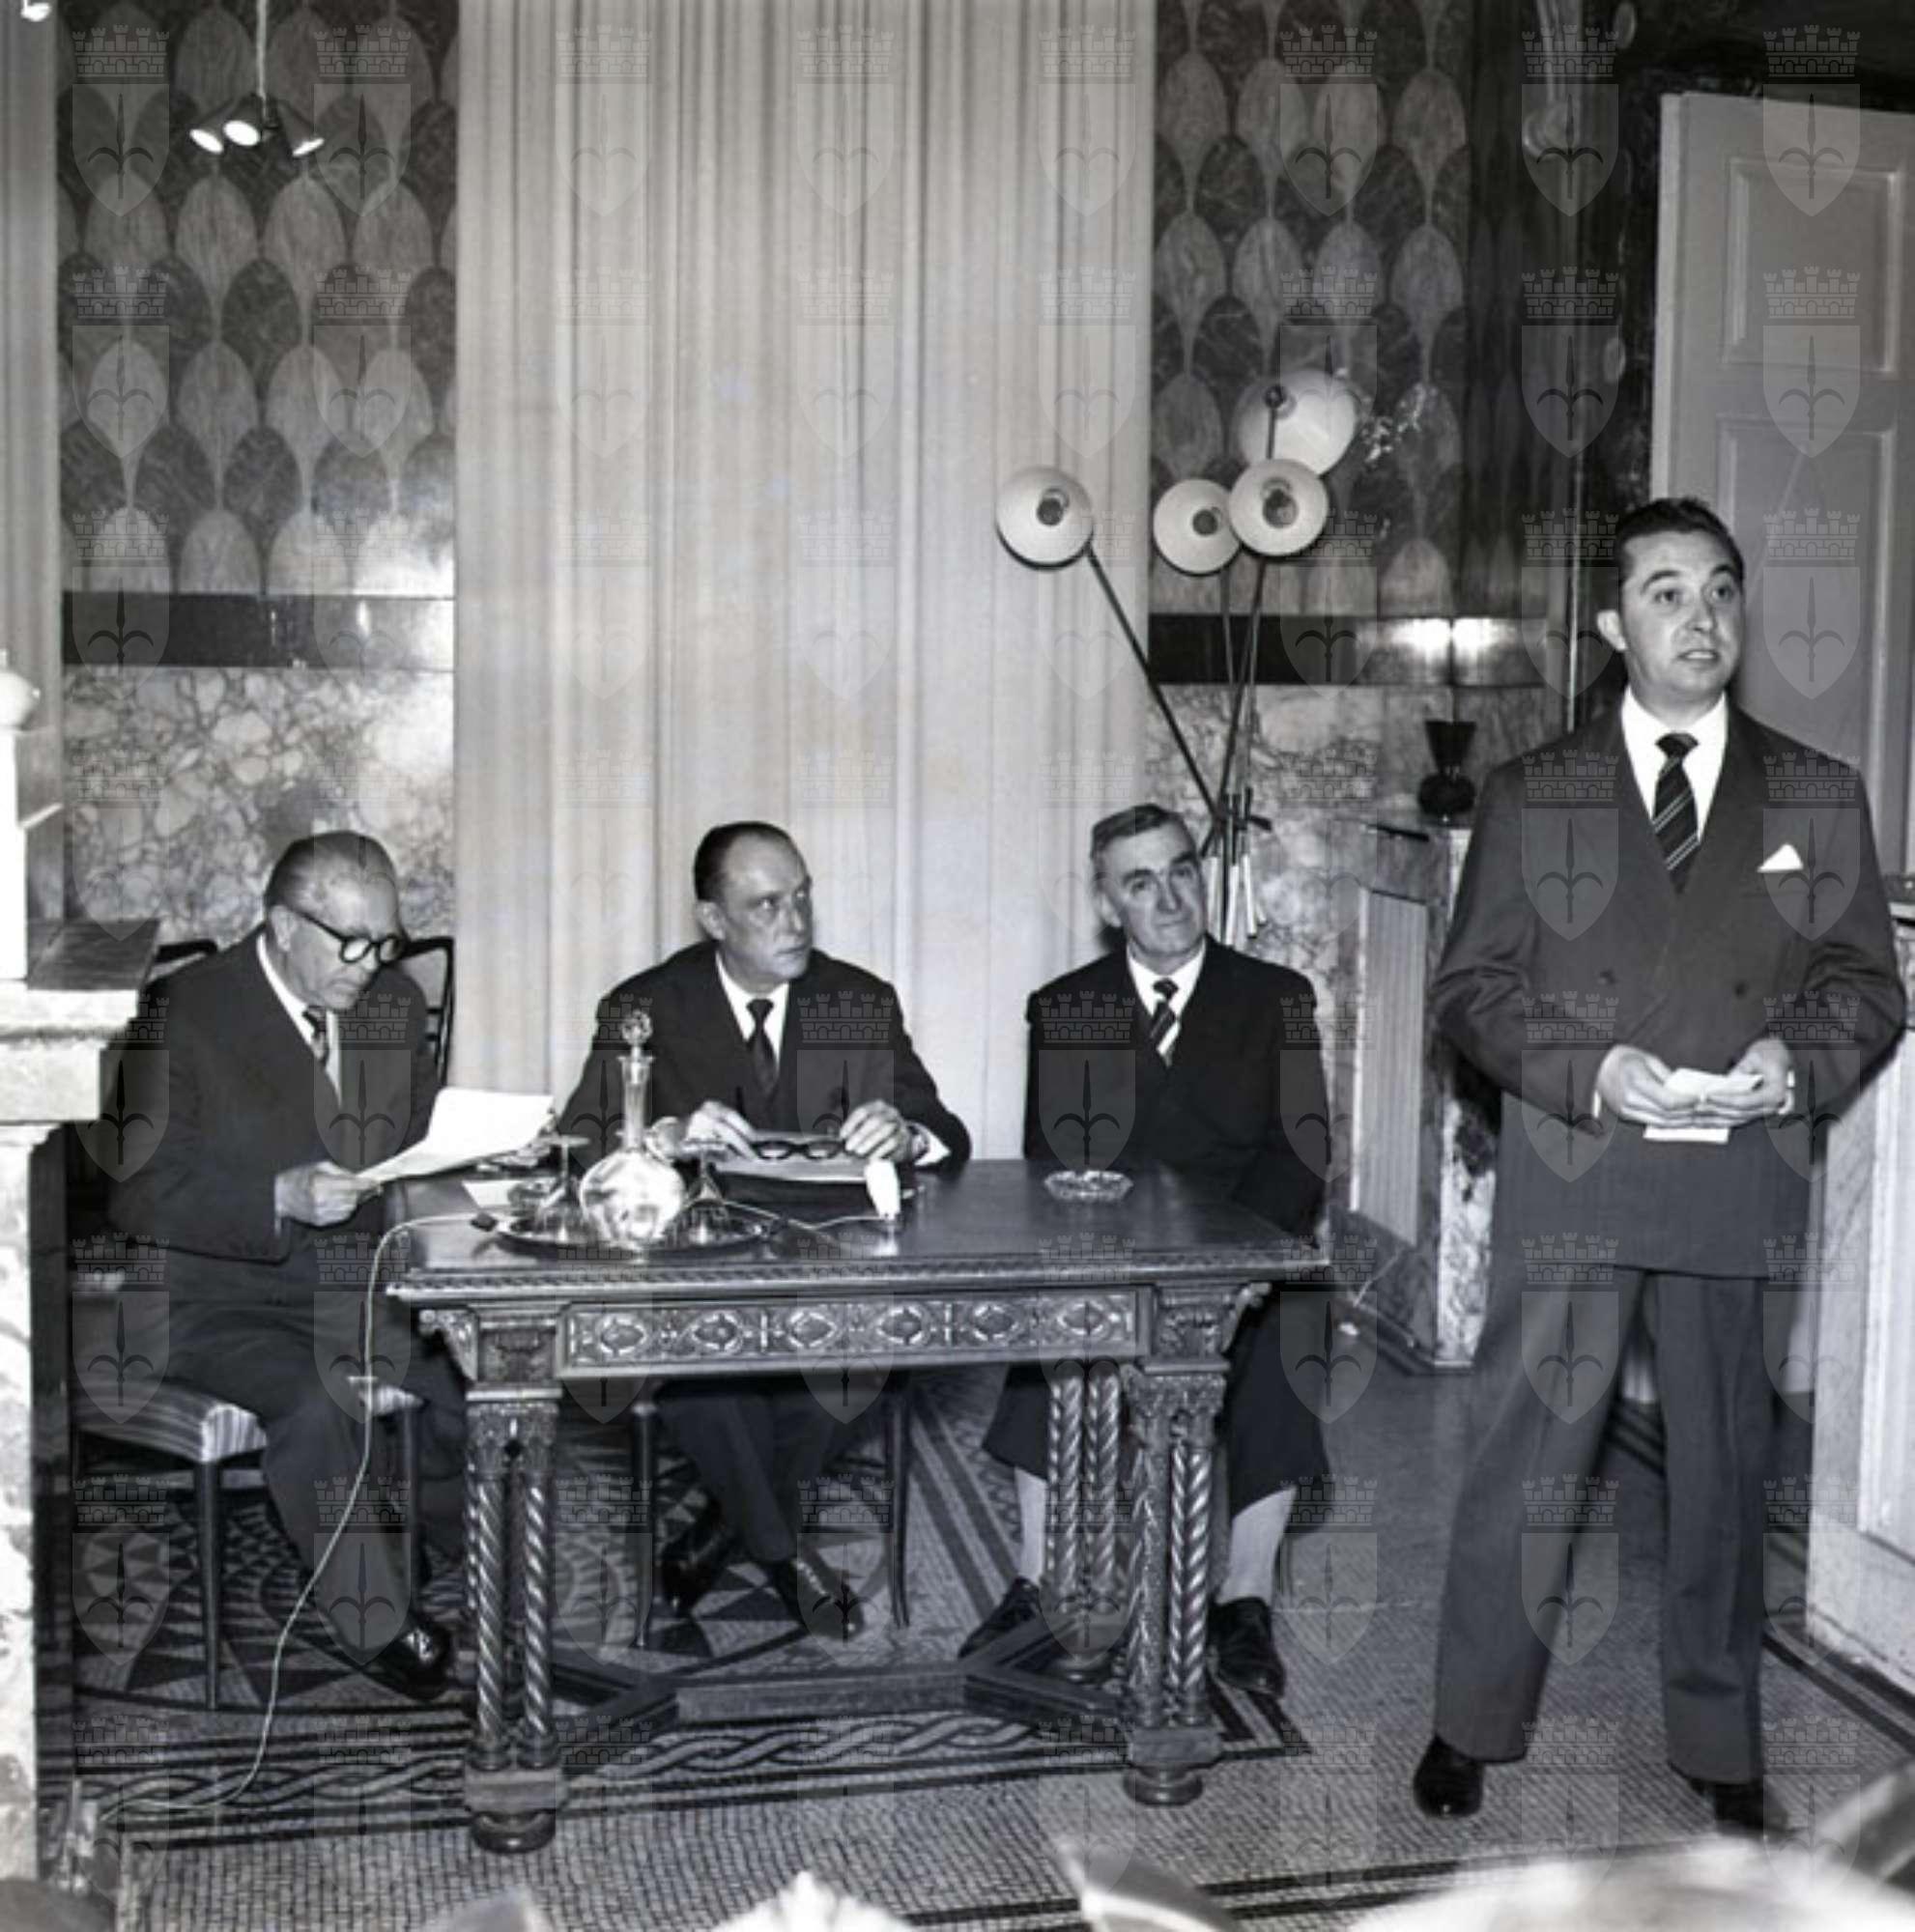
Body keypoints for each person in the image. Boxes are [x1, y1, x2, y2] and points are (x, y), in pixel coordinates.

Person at [1412, 498, 1905, 1835]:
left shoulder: (1813, 791)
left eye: (1721, 590)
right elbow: (1468, 990)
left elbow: (1865, 981)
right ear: (1611, 624)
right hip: (1577, 1162)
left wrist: (1794, 1060)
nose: (1701, 617)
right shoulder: (1533, 792)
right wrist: (1589, 1067)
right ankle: (1469, 1719)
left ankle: (1718, 1735)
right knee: (1528, 1454)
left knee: (1725, 1464)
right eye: (1667, 592)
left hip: (1735, 1172)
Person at [558, 821, 969, 1636]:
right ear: (713, 920)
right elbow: (578, 1147)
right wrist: (662, 1137)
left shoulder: (859, 1000)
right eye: (767, 906)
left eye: (803, 896)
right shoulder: (645, 1007)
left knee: (857, 1366)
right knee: (709, 1379)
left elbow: (947, 1133)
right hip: (698, 1277)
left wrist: (907, 1134)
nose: (796, 922)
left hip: (831, 1272)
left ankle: (727, 1528)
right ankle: (784, 1553)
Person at [962, 804, 1329, 1698]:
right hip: (1117, 1258)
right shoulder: (1067, 1008)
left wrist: (1237, 1273)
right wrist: (1114, 1274)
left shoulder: (1274, 999)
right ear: (1107, 904)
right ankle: (1035, 1583)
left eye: (1180, 873)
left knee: (1293, 1328)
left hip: (1239, 1255)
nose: (1167, 899)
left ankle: (1244, 1600)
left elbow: (1301, 1157)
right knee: (1046, 1337)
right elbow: (1054, 1163)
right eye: (1140, 882)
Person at [107, 833, 467, 1699]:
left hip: (357, 1285)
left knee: (490, 1370)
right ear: (282, 925)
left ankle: (428, 1533)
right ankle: (380, 1622)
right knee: (316, 1400)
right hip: (210, 1298)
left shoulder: (391, 1004)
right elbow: (135, 1195)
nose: (371, 965)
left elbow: (417, 1147)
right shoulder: (182, 1013)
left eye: (385, 942)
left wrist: (482, 1161)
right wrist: (275, 1196)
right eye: (350, 943)